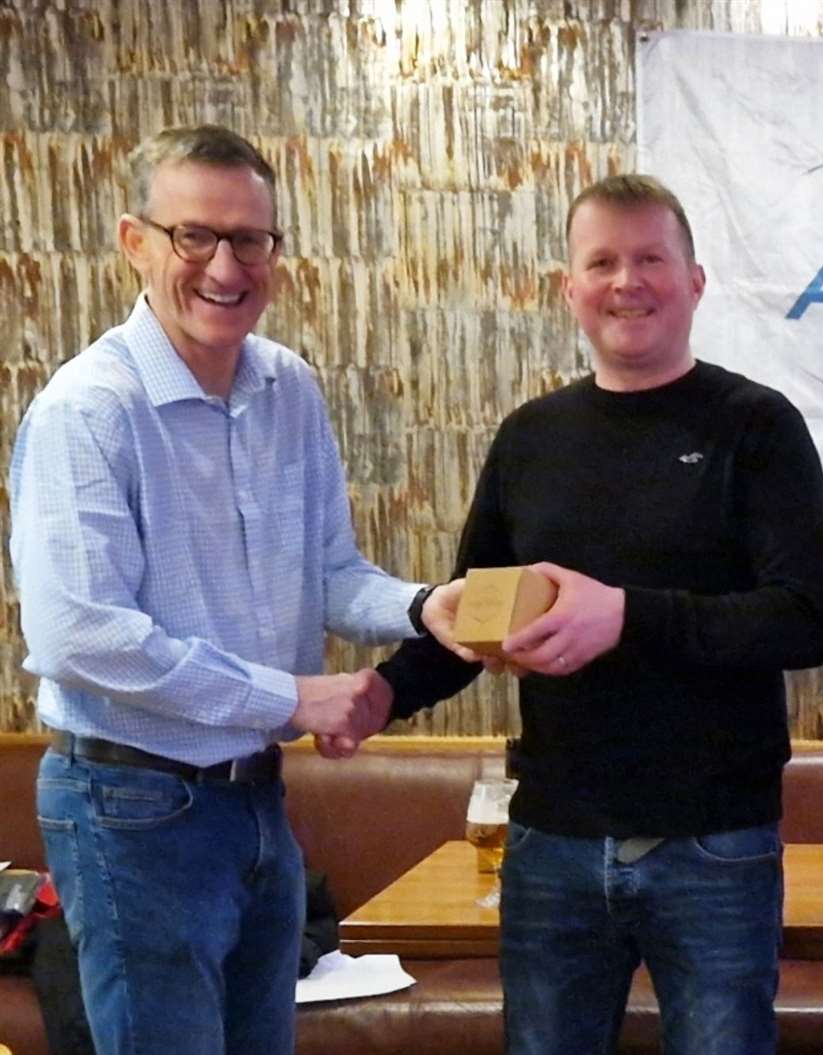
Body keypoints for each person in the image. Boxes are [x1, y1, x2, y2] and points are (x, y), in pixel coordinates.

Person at [10, 124, 463, 1055]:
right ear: (136, 241)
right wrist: (293, 695)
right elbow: (82, 636)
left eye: (249, 239)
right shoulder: (87, 408)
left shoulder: (288, 386)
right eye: (195, 237)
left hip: (257, 797)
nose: (225, 266)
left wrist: (426, 607)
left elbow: (332, 574)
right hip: (129, 804)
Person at [372, 173, 823, 1055]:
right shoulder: (530, 438)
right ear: (570, 288)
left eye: (651, 258)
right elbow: (476, 612)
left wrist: (625, 615)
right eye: (603, 261)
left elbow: (800, 619)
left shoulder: (758, 426)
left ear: (695, 281)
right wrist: (377, 696)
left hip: (716, 844)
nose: (628, 280)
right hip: (551, 841)